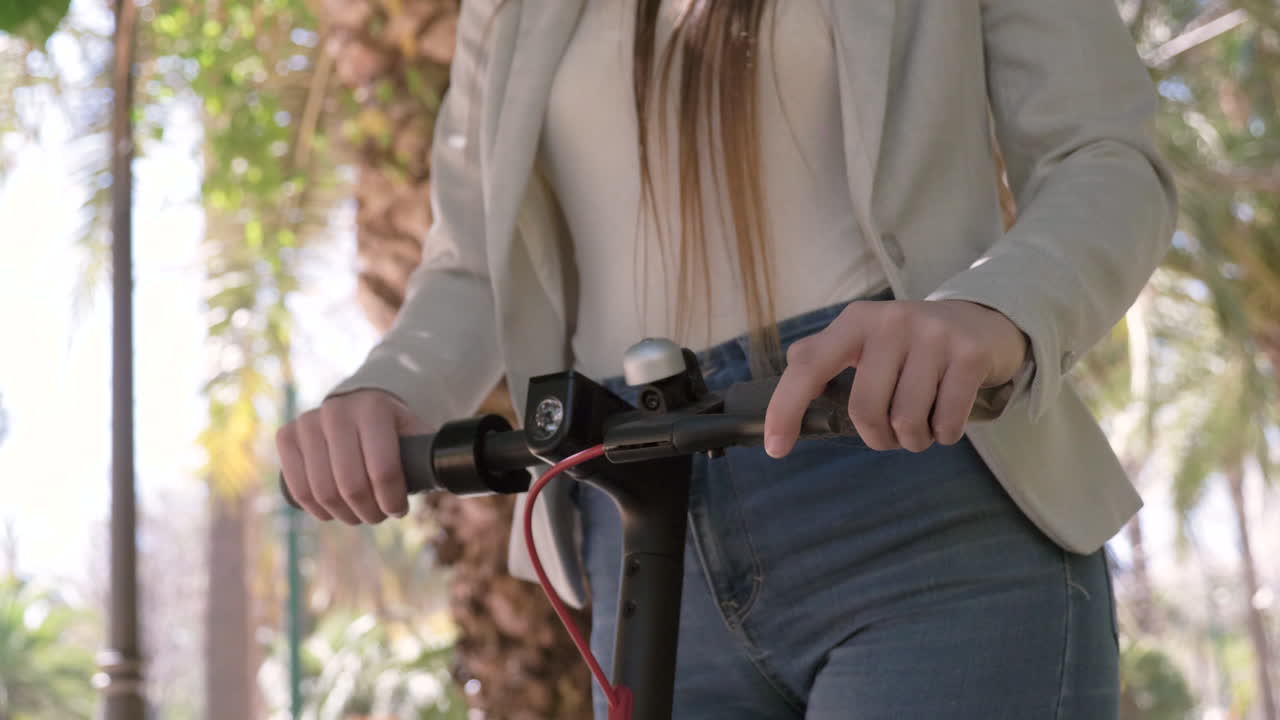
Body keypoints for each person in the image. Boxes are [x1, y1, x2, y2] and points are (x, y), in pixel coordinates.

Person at [277, 1, 1177, 717]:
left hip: (909, 479)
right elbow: (473, 259)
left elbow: (1102, 154)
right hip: (636, 528)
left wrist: (991, 312)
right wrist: (390, 387)